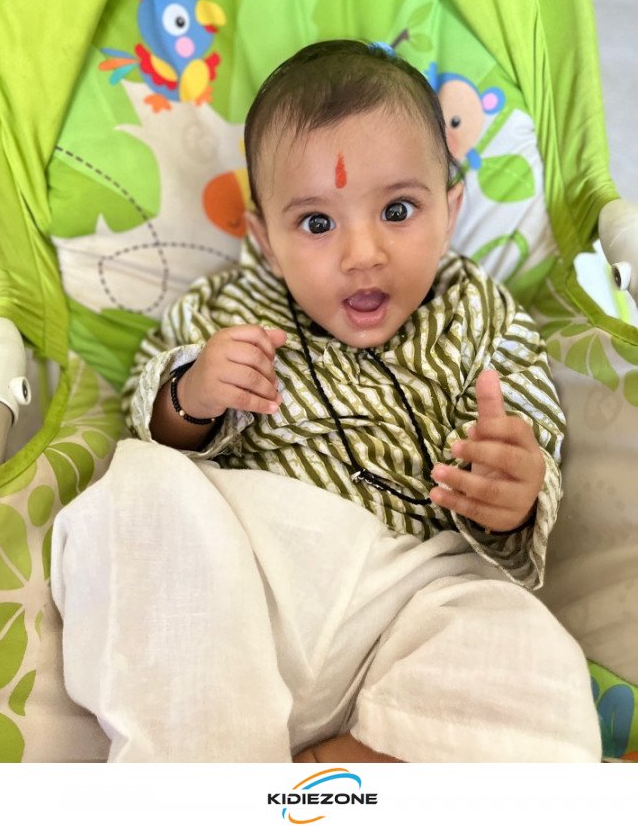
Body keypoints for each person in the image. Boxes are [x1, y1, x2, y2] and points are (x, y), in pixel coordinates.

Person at [53, 40, 600, 762]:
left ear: (450, 209)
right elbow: (145, 413)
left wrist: (515, 489)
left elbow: (530, 427)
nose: (362, 254)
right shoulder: (225, 307)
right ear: (265, 238)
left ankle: (342, 766)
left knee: (533, 653)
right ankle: (204, 761)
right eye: (316, 224)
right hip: (250, 586)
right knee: (137, 489)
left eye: (398, 210)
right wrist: (192, 394)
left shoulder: (480, 313)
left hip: (411, 598)